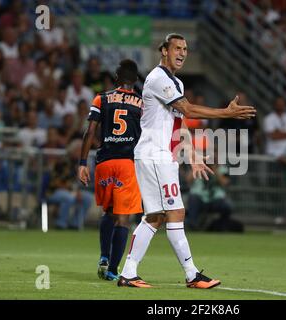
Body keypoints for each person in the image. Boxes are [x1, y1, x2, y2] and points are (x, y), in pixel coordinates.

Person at [118, 33, 256, 289]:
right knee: (175, 212)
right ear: (164, 51)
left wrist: (191, 155)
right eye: (177, 48)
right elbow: (188, 110)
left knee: (155, 216)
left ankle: (129, 272)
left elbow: (180, 124)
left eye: (185, 49)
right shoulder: (158, 78)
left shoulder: (177, 84)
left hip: (161, 156)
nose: (182, 53)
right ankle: (191, 274)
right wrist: (225, 113)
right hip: (154, 154)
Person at [78, 59, 143, 281]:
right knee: (123, 219)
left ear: (116, 78)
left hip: (104, 163)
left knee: (108, 212)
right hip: (127, 163)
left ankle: (104, 256)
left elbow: (90, 132)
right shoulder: (142, 103)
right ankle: (114, 270)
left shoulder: (101, 98)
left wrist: (82, 163)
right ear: (135, 80)